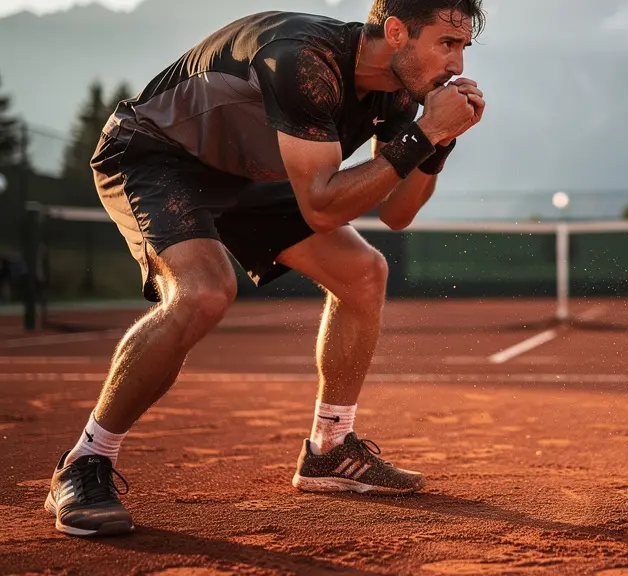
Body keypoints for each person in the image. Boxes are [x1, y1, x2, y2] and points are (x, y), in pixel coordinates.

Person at [44, 0, 486, 537]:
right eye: (447, 43)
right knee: (203, 292)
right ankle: (86, 461)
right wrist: (421, 135)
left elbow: (396, 214)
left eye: (463, 47)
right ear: (396, 32)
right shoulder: (304, 62)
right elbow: (322, 205)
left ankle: (329, 448)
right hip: (157, 156)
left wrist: (437, 140)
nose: (458, 65)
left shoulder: (396, 91)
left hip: (250, 172)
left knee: (364, 272)